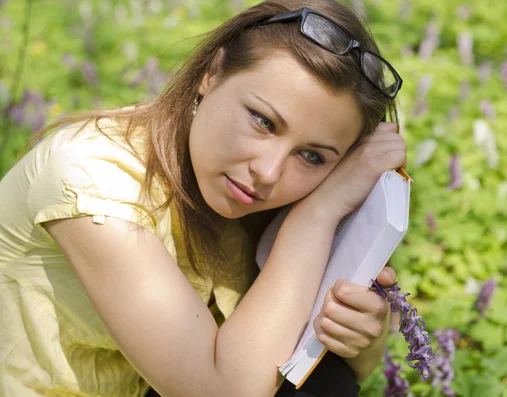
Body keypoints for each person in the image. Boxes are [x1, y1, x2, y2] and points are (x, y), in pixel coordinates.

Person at [0, 0, 407, 396]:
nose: (268, 172)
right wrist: (316, 215)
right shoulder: (93, 179)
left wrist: (359, 339)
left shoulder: (256, 192)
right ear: (211, 73)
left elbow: (337, 378)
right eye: (263, 121)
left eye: (312, 155)